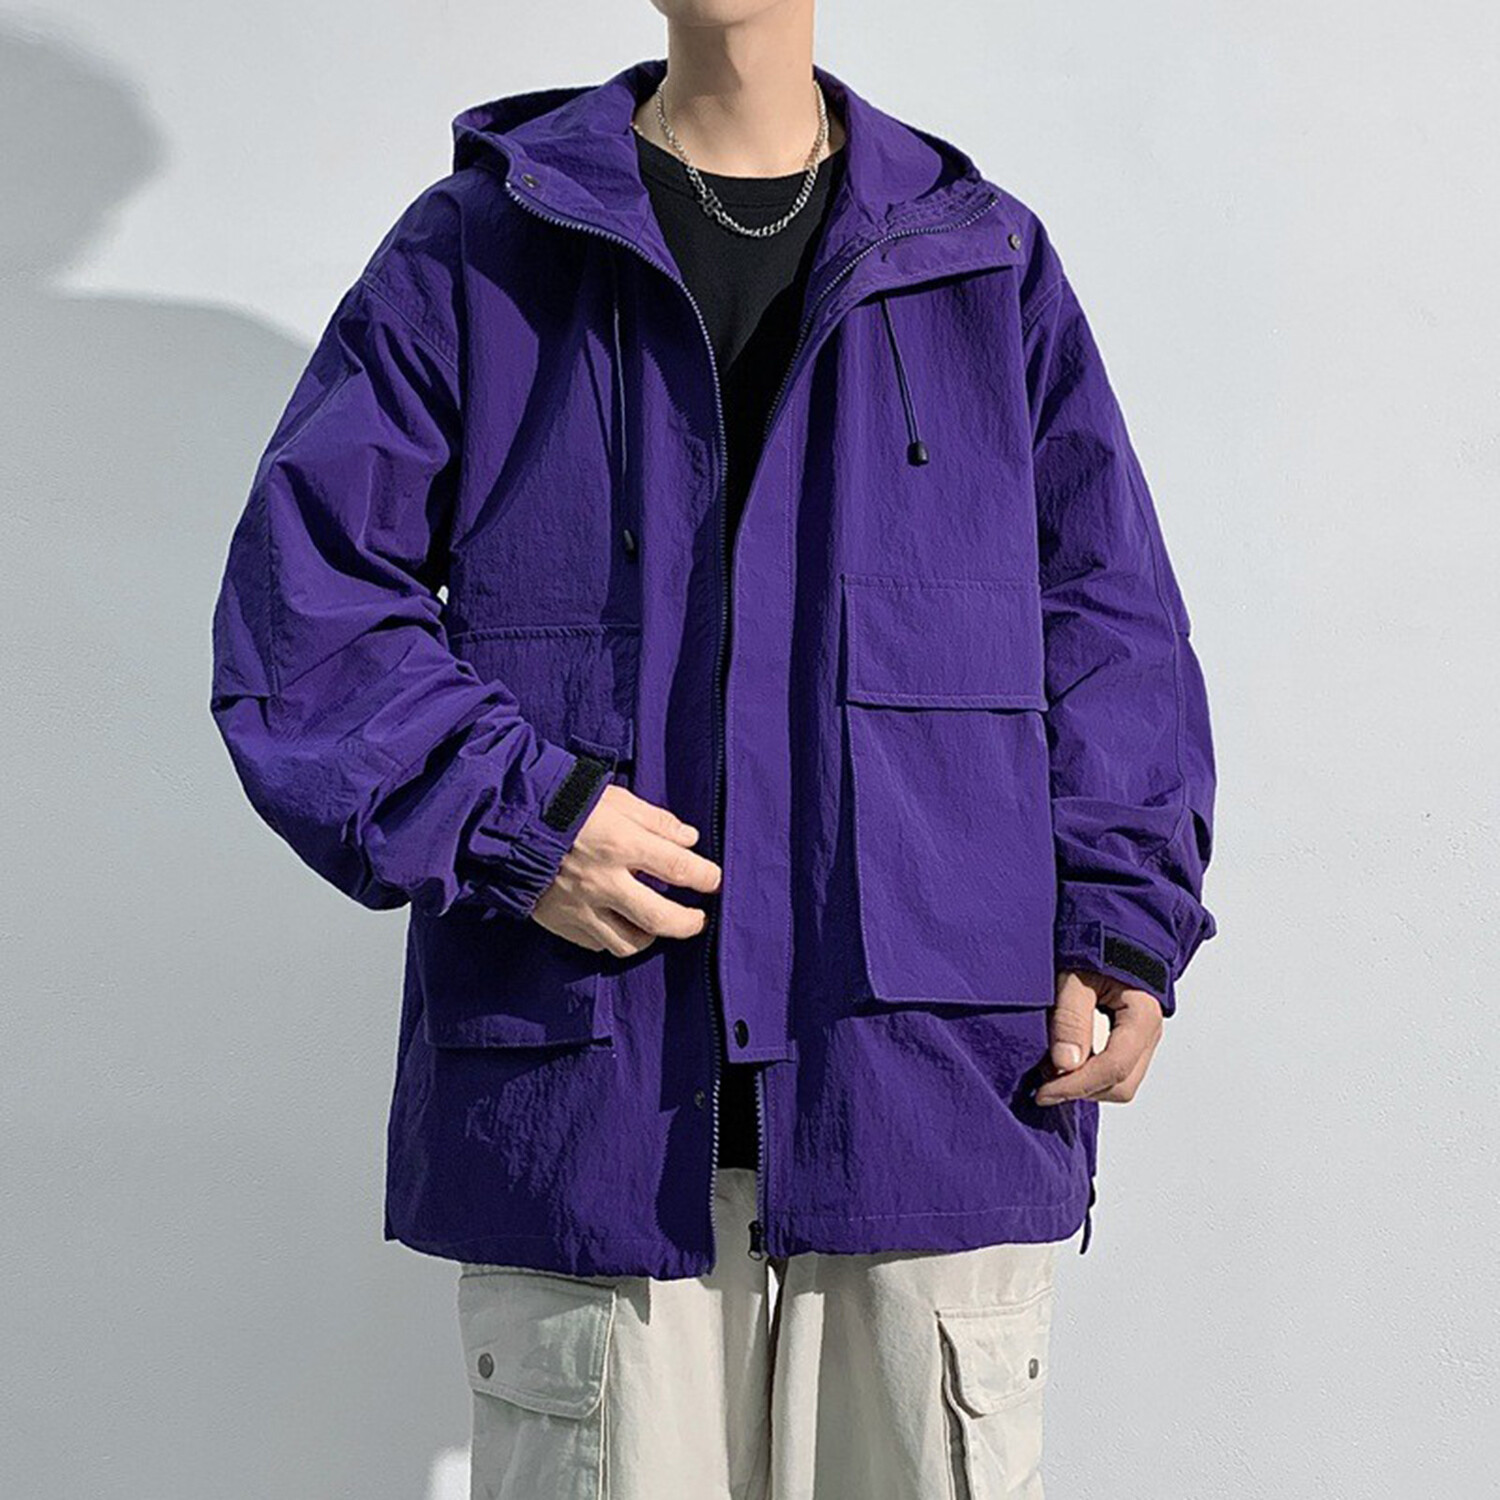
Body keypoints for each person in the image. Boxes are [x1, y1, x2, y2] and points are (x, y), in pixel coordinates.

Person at [209, 3, 1217, 1494]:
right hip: (588, 1094)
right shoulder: (480, 248)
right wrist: (521, 819)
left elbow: (1110, 627)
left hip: (929, 1088)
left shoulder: (981, 262)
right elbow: (305, 622)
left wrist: (1120, 924)